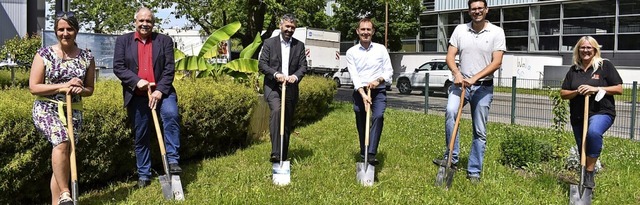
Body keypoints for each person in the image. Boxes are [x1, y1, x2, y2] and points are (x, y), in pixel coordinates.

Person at [432, 0, 506, 183]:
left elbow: (497, 62)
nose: (477, 11)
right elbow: (450, 56)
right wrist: (456, 73)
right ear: (469, 11)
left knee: (479, 130)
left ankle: (474, 171)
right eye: (474, 9)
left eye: (480, 8)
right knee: (450, 112)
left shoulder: (497, 32)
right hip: (460, 85)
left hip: (483, 87)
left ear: (486, 10)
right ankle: (451, 158)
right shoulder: (460, 30)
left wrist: (475, 78)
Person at [29, 11, 96, 205]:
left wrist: (80, 89)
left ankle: (56, 202)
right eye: (61, 29)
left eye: (69, 29)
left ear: (76, 30)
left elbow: (90, 89)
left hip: (72, 108)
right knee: (61, 141)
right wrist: (62, 86)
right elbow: (34, 87)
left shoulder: (87, 58)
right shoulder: (44, 54)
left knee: (64, 155)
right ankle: (66, 193)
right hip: (46, 107)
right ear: (55, 30)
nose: (65, 33)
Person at [113, 7, 181, 188]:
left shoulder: (164, 41)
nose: (145, 24)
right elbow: (118, 67)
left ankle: (173, 161)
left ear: (153, 23)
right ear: (135, 22)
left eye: (148, 21)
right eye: (141, 21)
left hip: (162, 92)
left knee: (171, 115)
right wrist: (137, 81)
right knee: (141, 134)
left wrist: (159, 91)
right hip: (137, 94)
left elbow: (169, 68)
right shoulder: (123, 41)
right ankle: (144, 174)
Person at [560, 36, 622, 189]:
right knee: (583, 147)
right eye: (582, 47)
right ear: (578, 50)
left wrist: (596, 89)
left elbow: (619, 89)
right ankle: (582, 183)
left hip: (602, 111)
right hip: (579, 115)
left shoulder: (604, 66)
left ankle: (589, 174)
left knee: (593, 133)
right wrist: (577, 91)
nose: (585, 50)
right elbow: (563, 93)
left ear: (595, 50)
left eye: (589, 48)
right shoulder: (574, 70)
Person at [258, 14, 307, 163]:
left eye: (292, 27)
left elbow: (303, 66)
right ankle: (275, 152)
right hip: (273, 87)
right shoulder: (269, 43)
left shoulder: (299, 45)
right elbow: (262, 65)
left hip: (290, 88)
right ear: (281, 26)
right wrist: (276, 74)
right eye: (287, 26)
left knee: (286, 122)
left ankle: (283, 156)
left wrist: (295, 77)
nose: (289, 29)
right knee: (277, 111)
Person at [346, 18, 393, 165]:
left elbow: (389, 71)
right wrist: (363, 94)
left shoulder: (381, 49)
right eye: (363, 29)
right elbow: (354, 75)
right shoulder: (351, 52)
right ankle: (363, 152)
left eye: (368, 30)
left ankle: (371, 153)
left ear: (372, 32)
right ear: (358, 31)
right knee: (362, 122)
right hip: (360, 91)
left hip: (378, 91)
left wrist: (378, 81)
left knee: (378, 116)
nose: (365, 32)